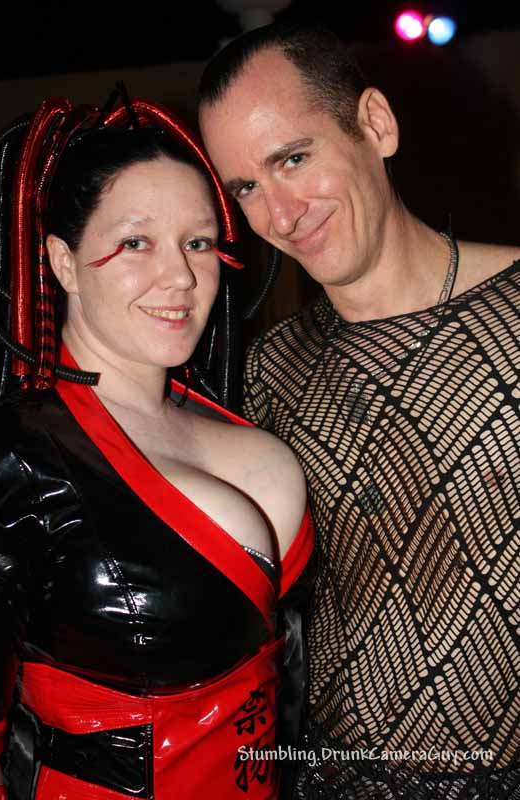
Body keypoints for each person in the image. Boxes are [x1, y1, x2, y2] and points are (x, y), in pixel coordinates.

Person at [198, 21, 520, 800]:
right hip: (327, 775)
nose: (279, 215)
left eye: (292, 159)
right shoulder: (271, 367)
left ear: (375, 124)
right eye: (244, 189)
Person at [0, 91, 314, 799]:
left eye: (198, 243)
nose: (181, 278)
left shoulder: (235, 411)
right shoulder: (15, 457)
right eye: (136, 242)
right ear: (63, 262)